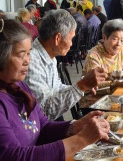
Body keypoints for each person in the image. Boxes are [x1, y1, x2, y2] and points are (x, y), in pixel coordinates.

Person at [0, 18, 110, 161]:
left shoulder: (19, 87)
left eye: (29, 53)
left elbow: (43, 126)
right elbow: (14, 156)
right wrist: (81, 139)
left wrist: (76, 126)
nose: (28, 60)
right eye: (21, 55)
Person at [24, 9, 108, 120]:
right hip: (39, 130)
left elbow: (57, 89)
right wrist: (81, 86)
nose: (72, 44)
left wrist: (84, 87)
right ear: (58, 38)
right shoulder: (31, 62)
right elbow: (44, 113)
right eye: (71, 38)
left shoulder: (49, 55)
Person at [83, 19, 123, 88]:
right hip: (95, 96)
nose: (119, 44)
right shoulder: (94, 55)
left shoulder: (121, 50)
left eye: (122, 40)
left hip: (115, 92)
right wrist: (117, 83)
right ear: (104, 38)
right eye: (115, 39)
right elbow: (95, 82)